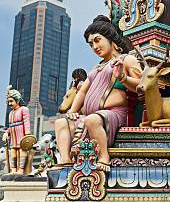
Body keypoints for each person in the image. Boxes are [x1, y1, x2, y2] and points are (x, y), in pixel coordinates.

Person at [54, 15, 142, 172]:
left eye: (97, 40)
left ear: (111, 40)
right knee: (61, 122)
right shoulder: (97, 68)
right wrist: (73, 111)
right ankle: (65, 161)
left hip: (115, 114)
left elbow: (142, 86)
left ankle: (104, 157)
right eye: (91, 44)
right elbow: (82, 91)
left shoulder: (127, 60)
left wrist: (122, 77)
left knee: (93, 120)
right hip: (93, 117)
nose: (94, 46)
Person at [3, 87, 32, 175]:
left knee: (22, 151)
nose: (10, 104)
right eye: (9, 101)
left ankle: (21, 170)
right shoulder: (11, 113)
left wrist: (27, 135)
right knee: (13, 152)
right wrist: (6, 133)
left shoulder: (24, 109)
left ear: (17, 100)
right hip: (13, 136)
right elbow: (10, 125)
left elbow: (26, 122)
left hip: (21, 135)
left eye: (11, 101)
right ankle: (13, 170)